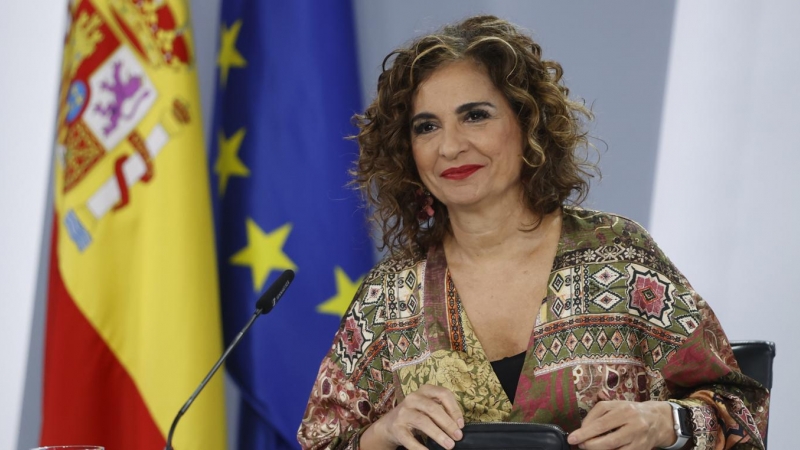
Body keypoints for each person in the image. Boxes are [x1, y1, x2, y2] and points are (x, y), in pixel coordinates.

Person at [298, 15, 769, 450]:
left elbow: (743, 410)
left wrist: (668, 422)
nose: (450, 145)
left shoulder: (622, 260)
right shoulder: (389, 296)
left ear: (527, 123)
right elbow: (321, 441)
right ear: (407, 151)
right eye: (426, 126)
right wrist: (381, 433)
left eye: (475, 115)